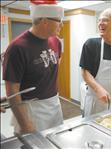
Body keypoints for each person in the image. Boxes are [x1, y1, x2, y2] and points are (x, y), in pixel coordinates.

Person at [2, 0, 64, 135]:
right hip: (32, 109)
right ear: (45, 21)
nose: (62, 24)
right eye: (59, 20)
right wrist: (25, 123)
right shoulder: (17, 48)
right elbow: (12, 89)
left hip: (54, 105)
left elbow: (55, 65)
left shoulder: (55, 41)